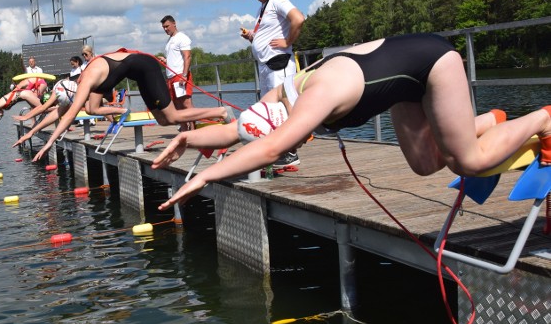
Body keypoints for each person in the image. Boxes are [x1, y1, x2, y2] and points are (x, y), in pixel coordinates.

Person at [154, 32, 551, 211]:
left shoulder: (316, 97)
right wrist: (188, 141)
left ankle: (542, 119)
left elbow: (270, 146)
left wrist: (206, 176)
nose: (296, 143)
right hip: (404, 72)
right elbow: (247, 129)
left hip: (433, 62)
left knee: (469, 162)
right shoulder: (280, 95)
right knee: (425, 163)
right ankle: (486, 121)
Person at [31, 50, 236, 162]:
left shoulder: (87, 80)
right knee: (163, 120)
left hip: (147, 68)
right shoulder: (87, 80)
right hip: (140, 74)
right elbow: (79, 111)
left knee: (171, 116)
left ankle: (221, 111)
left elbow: (69, 116)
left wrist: (50, 142)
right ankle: (212, 122)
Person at [240, 0, 306, 168]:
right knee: (271, 109)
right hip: (266, 66)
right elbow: (268, 33)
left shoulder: (278, 0)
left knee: (286, 108)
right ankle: (278, 150)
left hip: (279, 65)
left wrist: (288, 41)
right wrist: (252, 37)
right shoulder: (263, 8)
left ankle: (292, 151)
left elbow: (298, 19)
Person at [161, 15, 194, 132]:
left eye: (167, 26)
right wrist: (165, 61)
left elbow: (187, 56)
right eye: (163, 27)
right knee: (177, 105)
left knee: (186, 104)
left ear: (174, 24)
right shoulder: (169, 40)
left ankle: (193, 131)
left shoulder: (182, 38)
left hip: (179, 75)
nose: (165, 29)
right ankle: (184, 130)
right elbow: (174, 58)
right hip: (170, 77)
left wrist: (184, 75)